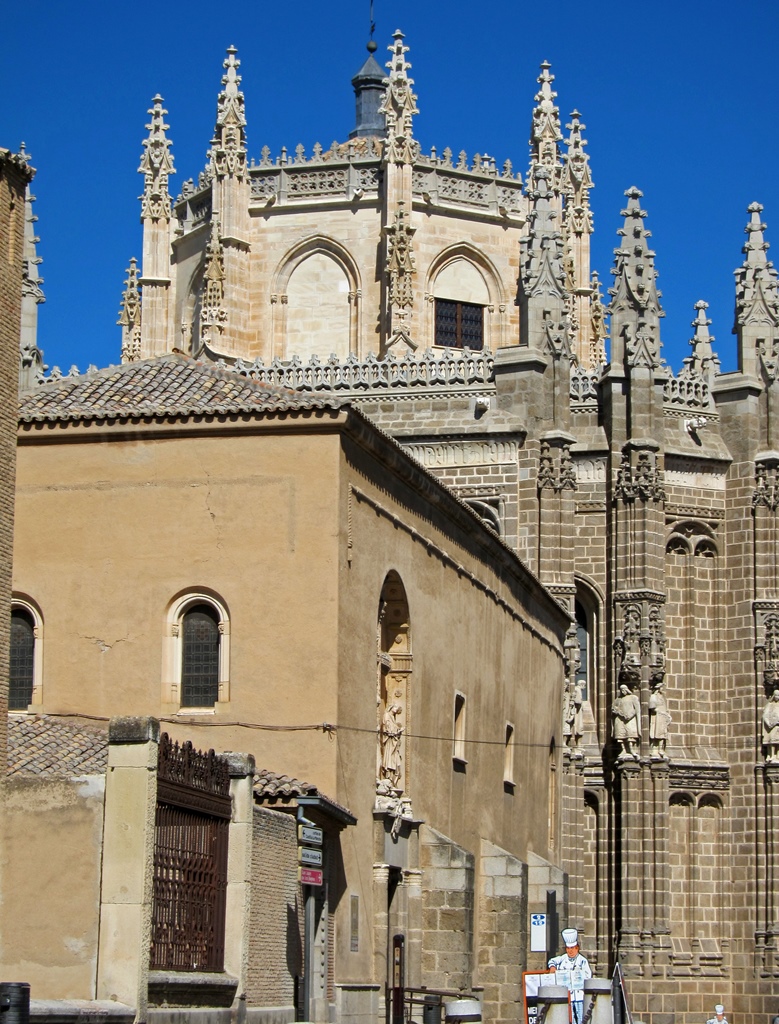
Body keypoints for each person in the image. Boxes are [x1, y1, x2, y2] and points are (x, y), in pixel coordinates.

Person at [548, 927, 592, 1024]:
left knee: (580, 1018)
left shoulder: (582, 960)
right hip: (567, 995)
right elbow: (552, 961)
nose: (570, 951)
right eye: (568, 948)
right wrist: (552, 967)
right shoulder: (563, 958)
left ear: (577, 948)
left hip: (579, 994)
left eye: (572, 948)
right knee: (569, 1018)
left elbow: (588, 975)